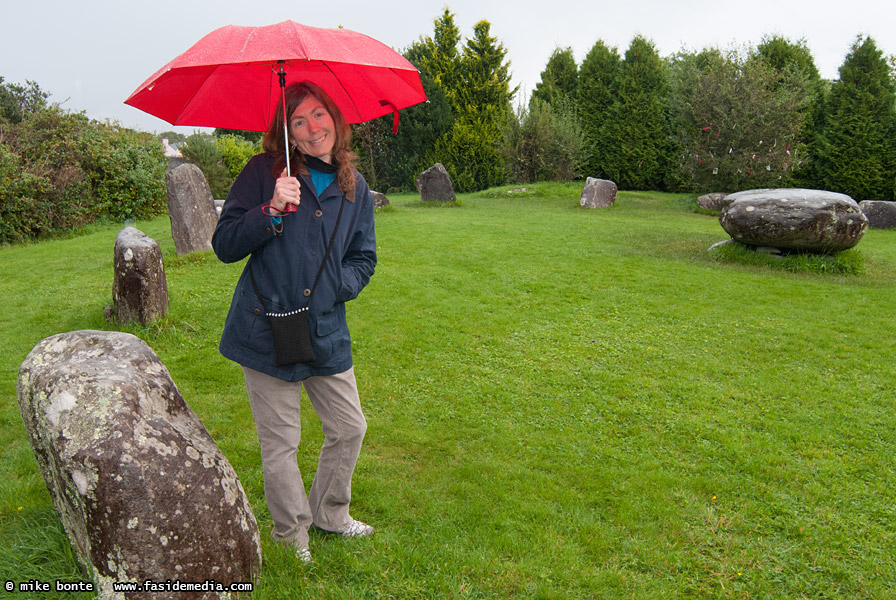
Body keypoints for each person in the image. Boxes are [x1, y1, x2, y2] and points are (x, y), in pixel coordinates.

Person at [212, 81, 377, 563]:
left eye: (319, 115)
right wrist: (269, 210)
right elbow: (224, 244)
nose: (312, 128)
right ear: (286, 132)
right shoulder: (266, 172)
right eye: (299, 121)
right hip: (266, 326)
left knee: (349, 427)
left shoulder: (355, 187)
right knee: (281, 442)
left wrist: (335, 288)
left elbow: (364, 257)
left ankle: (330, 513)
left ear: (336, 119)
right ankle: (292, 538)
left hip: (324, 327)